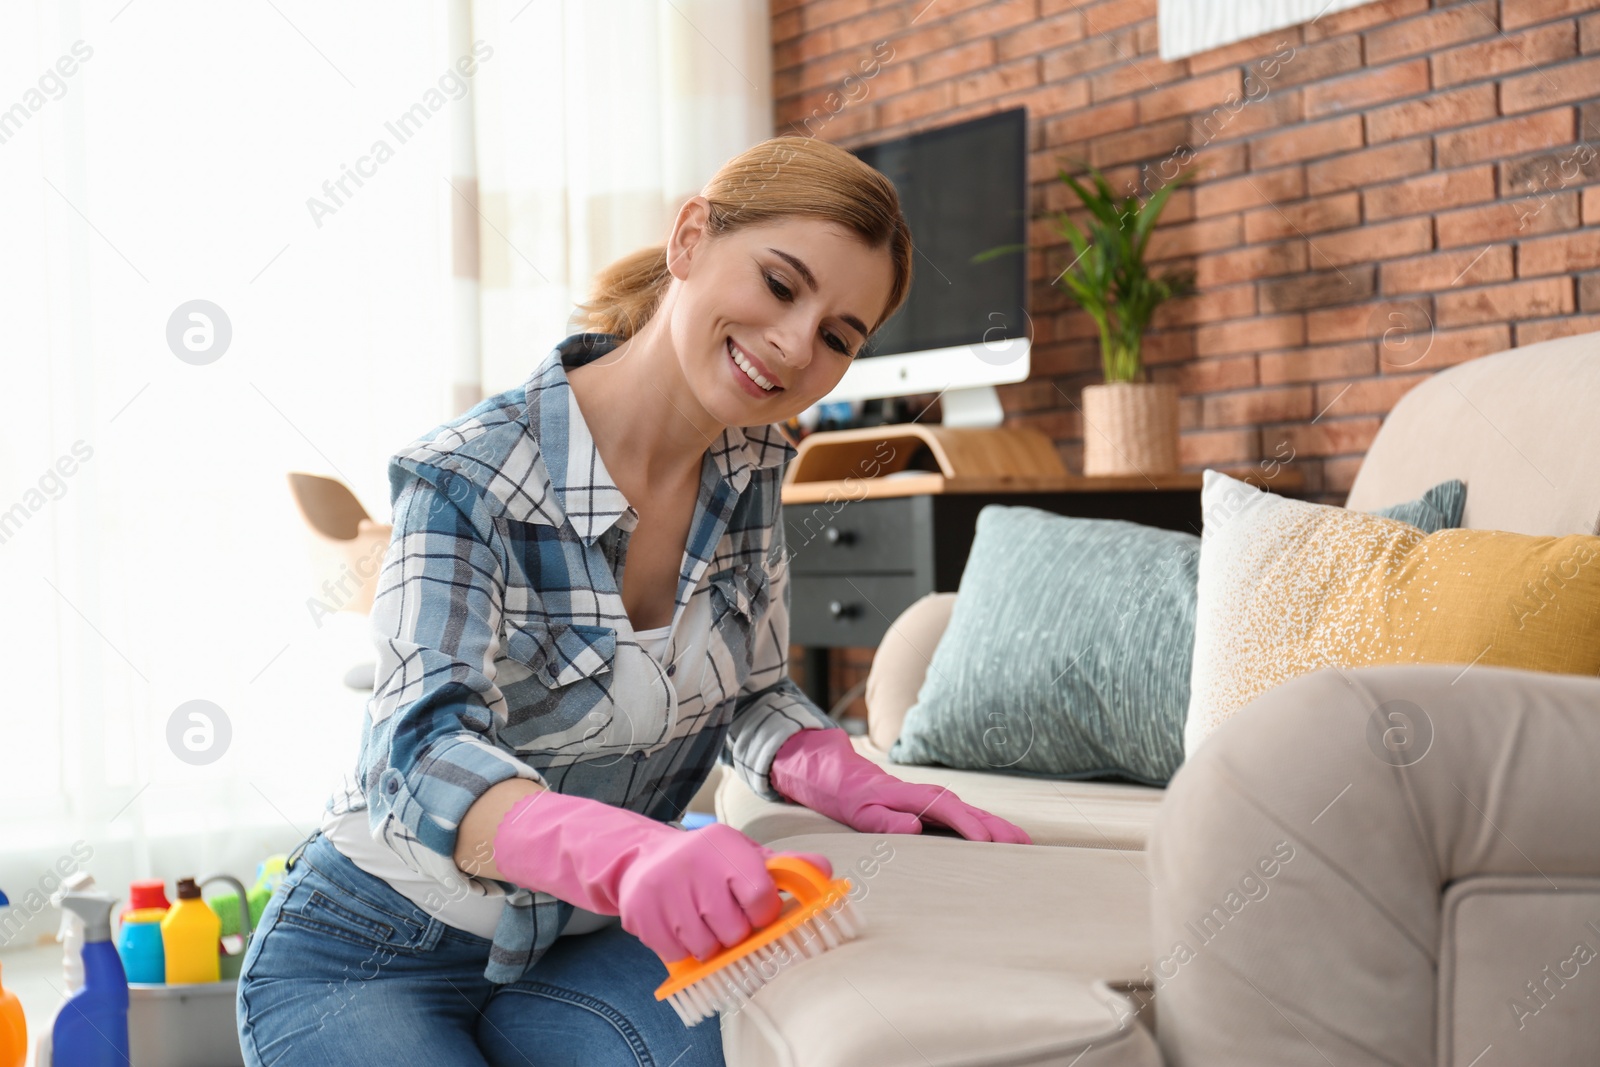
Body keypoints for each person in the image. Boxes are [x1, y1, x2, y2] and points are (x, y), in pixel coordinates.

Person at [236, 134, 1032, 1067]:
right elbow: (418, 755)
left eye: (837, 337)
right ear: (690, 238)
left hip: (579, 947)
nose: (793, 344)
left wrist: (846, 771)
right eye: (780, 285)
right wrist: (625, 854)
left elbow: (754, 694)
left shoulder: (754, 467)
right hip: (369, 949)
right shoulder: (470, 475)